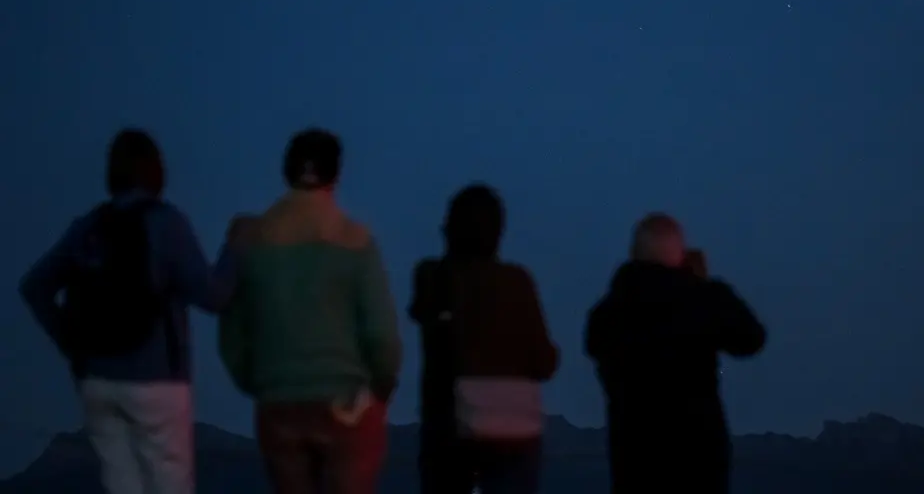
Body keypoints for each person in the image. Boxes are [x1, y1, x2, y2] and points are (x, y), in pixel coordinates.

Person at [18, 127, 238, 494]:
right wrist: (237, 249)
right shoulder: (164, 223)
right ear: (156, 171)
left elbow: (34, 287)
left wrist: (72, 347)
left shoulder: (88, 228)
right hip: (156, 380)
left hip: (98, 380)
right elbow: (213, 297)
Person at [218, 127, 402, 494]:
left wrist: (259, 382)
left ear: (287, 172)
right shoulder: (356, 241)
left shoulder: (253, 242)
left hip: (278, 401)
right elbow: (382, 338)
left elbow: (232, 330)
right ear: (336, 173)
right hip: (344, 403)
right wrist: (380, 390)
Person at [585, 213, 767, 494]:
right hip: (699, 454)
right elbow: (751, 338)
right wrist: (701, 285)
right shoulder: (703, 298)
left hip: (635, 456)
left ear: (634, 253)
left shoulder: (610, 311)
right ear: (679, 253)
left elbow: (594, 344)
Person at [408, 183, 559, 494]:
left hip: (448, 428)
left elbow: (423, 313)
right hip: (513, 428)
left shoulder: (433, 276)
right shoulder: (518, 282)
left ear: (450, 228)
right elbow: (544, 362)